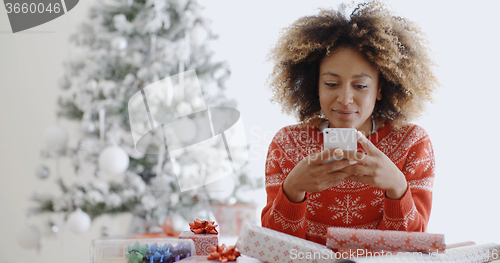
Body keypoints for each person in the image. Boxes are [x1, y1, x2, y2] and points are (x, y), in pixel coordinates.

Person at [261, 1, 439, 245]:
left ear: (380, 89)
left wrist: (397, 187)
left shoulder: (412, 143)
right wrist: (292, 190)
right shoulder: (287, 143)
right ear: (315, 86)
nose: (344, 99)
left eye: (361, 86)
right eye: (331, 84)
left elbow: (411, 250)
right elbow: (273, 248)